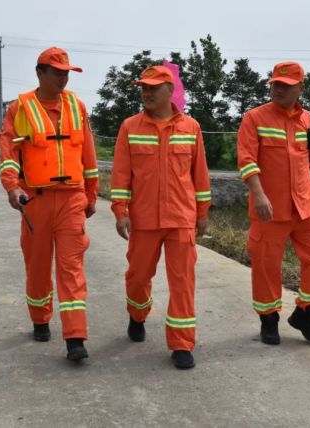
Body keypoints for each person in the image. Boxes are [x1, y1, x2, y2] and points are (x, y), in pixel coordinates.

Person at [0, 47, 98, 361]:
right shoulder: (21, 109)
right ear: (40, 72)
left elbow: (89, 156)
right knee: (38, 266)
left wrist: (92, 194)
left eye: (66, 72)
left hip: (71, 199)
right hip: (36, 202)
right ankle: (40, 318)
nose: (63, 77)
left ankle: (75, 337)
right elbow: (8, 154)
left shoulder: (77, 107)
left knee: (72, 268)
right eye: (57, 71)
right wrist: (12, 188)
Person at [110, 65, 211, 369]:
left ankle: (181, 343)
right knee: (138, 276)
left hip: (181, 217)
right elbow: (121, 174)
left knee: (183, 283)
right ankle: (138, 314)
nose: (147, 92)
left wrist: (202, 211)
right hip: (144, 219)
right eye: (143, 88)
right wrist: (120, 211)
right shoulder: (130, 127)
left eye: (153, 87)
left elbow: (200, 175)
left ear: (171, 90)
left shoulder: (191, 128)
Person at [236, 61, 310, 346]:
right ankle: (269, 321)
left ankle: (305, 314)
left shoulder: (309, 121)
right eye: (275, 84)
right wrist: (259, 195)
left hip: (305, 206)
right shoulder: (254, 118)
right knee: (267, 265)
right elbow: (247, 160)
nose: (278, 89)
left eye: (285, 86)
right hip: (269, 207)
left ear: (300, 89)